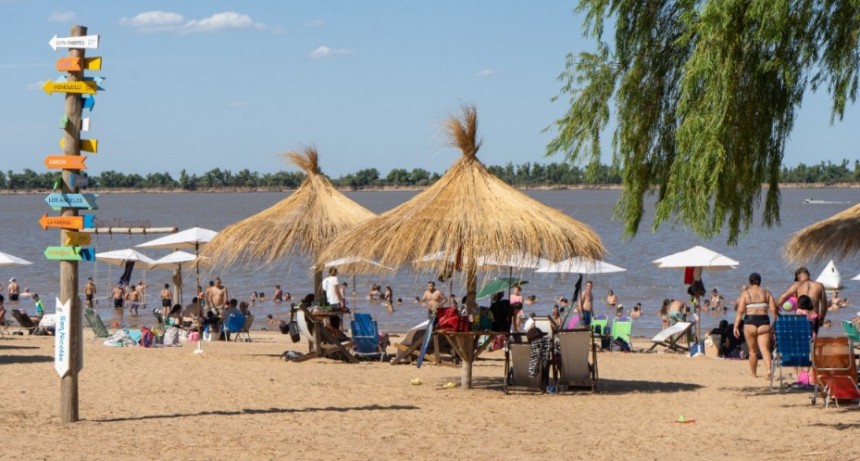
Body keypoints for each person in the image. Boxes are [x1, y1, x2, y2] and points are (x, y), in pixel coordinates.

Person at [733, 272, 777, 379]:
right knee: (765, 349)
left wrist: (736, 326)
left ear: (750, 282)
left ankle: (753, 374)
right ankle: (768, 370)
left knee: (752, 351)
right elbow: (773, 310)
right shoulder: (767, 293)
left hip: (750, 323)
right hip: (764, 323)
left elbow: (740, 311)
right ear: (760, 282)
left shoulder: (746, 294)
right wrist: (774, 323)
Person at [776, 267, 828, 335]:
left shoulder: (797, 285)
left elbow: (783, 297)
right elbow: (824, 304)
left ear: (798, 276)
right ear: (808, 274)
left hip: (801, 318)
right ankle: (812, 345)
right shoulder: (819, 285)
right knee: (812, 339)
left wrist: (776, 308)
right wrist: (822, 318)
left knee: (801, 339)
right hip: (814, 318)